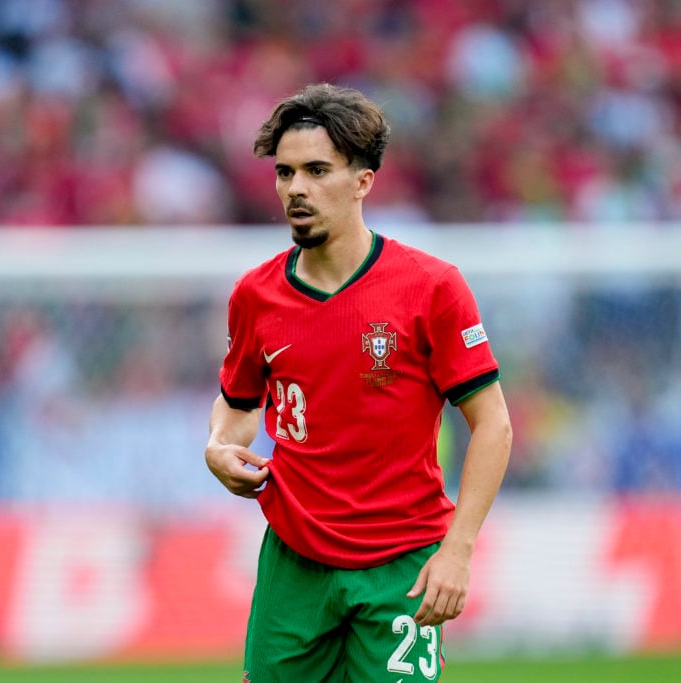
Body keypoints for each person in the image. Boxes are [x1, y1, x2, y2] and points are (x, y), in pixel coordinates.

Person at [205, 83, 513, 682]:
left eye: (317, 171)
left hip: (402, 566)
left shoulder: (432, 287)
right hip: (294, 563)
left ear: (363, 181)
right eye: (286, 172)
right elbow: (239, 404)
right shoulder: (255, 295)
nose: (296, 188)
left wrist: (459, 547)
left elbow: (493, 423)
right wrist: (219, 446)